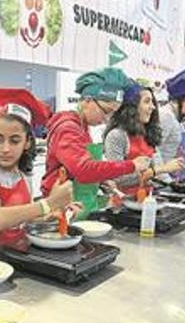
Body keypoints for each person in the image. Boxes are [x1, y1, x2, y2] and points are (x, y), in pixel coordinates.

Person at [0, 89, 75, 259]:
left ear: (27, 142)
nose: (5, 149)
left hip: (16, 257)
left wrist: (47, 217)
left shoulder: (23, 175)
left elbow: (20, 221)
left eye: (14, 140)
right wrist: (48, 204)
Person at [40, 68, 151, 218]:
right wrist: (132, 165)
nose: (107, 119)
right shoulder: (68, 129)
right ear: (87, 100)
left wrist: (100, 180)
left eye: (113, 113)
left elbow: (78, 167)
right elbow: (84, 170)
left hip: (82, 205)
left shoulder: (83, 127)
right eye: (106, 111)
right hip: (63, 209)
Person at [103, 84, 184, 194]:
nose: (153, 107)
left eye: (152, 102)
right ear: (132, 107)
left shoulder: (148, 133)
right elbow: (119, 179)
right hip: (125, 203)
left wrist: (175, 187)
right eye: (147, 102)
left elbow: (160, 168)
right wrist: (156, 171)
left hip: (148, 198)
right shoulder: (117, 136)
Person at [158, 67, 185, 180]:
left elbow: (171, 154)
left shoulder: (175, 117)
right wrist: (168, 182)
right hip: (161, 181)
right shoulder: (165, 117)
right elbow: (152, 153)